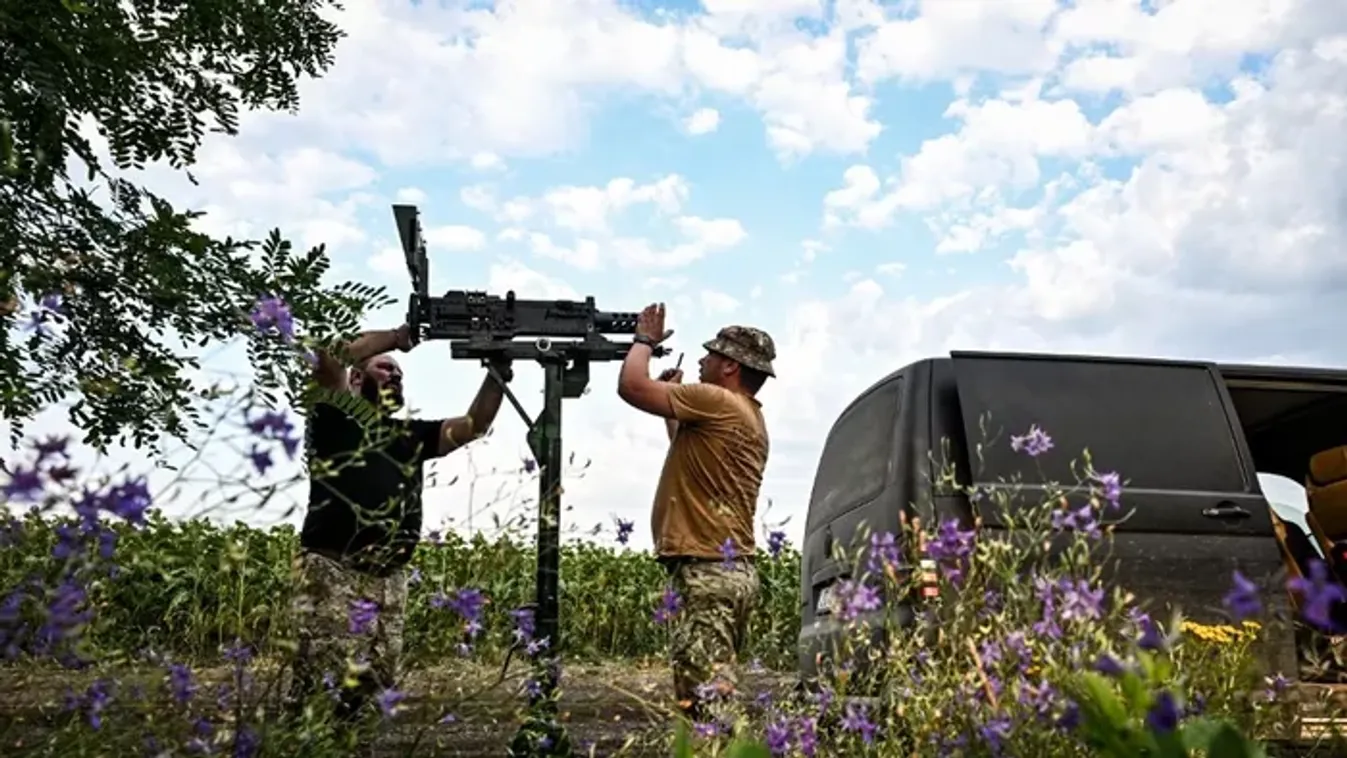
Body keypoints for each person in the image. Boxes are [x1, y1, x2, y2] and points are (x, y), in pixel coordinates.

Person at [287, 323, 511, 729]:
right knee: (321, 698)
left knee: (369, 702)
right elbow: (327, 357)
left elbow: (473, 425)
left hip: (388, 585)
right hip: (337, 575)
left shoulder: (409, 435)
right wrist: (398, 337)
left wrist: (497, 371)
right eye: (385, 369)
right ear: (356, 377)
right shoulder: (332, 417)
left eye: (398, 372)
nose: (395, 374)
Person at [615, 303, 775, 720]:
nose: (702, 359)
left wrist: (644, 340)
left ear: (730, 367)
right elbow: (690, 454)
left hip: (707, 572)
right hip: (728, 573)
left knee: (705, 705)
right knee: (711, 693)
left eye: (711, 354)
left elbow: (632, 387)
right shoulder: (750, 418)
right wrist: (677, 409)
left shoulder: (717, 401)